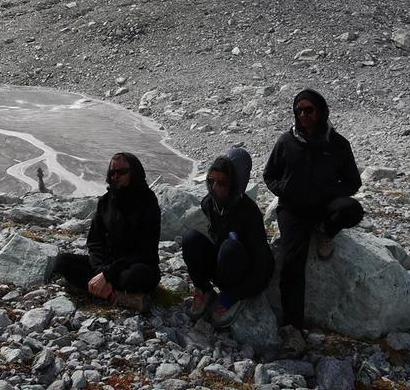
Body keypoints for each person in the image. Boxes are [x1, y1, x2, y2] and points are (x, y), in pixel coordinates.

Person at [263, 89, 363, 351]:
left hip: (323, 206)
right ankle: (293, 327)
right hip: (293, 209)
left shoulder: (337, 144)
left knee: (352, 210)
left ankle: (324, 231)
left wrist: (326, 192)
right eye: (299, 111)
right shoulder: (287, 142)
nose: (304, 115)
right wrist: (284, 190)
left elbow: (353, 181)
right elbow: (269, 174)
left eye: (309, 110)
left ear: (321, 111)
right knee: (292, 262)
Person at [51, 152, 161, 313]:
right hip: (107, 263)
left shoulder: (148, 201)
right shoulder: (105, 201)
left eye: (121, 172)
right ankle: (114, 296)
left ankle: (97, 288)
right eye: (112, 172)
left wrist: (107, 275)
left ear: (134, 173)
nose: (116, 176)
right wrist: (100, 270)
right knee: (62, 261)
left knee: (132, 277)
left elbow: (145, 251)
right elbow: (95, 241)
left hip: (136, 264)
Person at [180, 146, 274, 328]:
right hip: (223, 263)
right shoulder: (210, 203)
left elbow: (264, 265)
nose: (214, 187)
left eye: (221, 183)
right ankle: (204, 290)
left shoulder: (249, 213)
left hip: (242, 273)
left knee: (230, 247)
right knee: (190, 238)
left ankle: (229, 298)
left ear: (235, 183)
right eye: (211, 181)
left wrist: (239, 292)